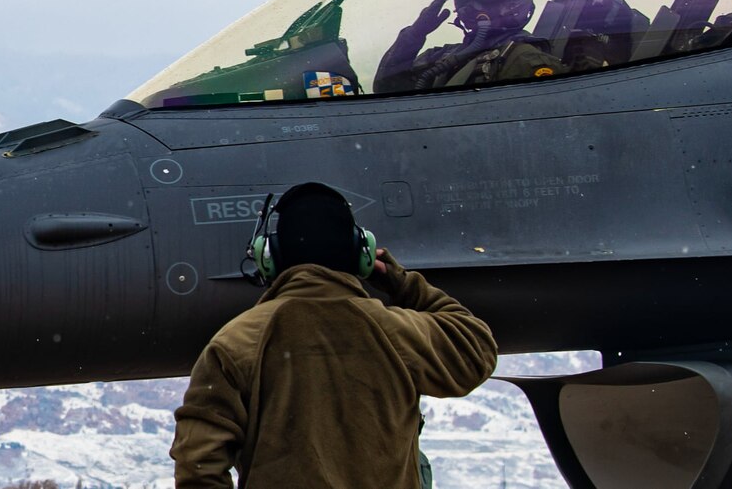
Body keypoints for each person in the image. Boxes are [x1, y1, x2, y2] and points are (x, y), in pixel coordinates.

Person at [169, 182, 497, 489]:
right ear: (362, 255)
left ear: (270, 258)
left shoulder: (235, 344)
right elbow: (476, 349)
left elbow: (198, 463)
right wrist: (400, 282)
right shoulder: (397, 332)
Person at [373, 0, 565, 93]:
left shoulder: (526, 59)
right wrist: (413, 36)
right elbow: (387, 90)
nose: (467, 4)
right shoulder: (443, 57)